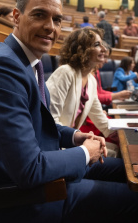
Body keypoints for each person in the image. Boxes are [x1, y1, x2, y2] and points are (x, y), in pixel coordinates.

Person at [0, 0, 138, 223]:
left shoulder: (29, 64)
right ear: (17, 17)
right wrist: (84, 153)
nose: (50, 27)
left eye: (57, 19)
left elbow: (41, 124)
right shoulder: (1, 68)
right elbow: (29, 169)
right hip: (27, 198)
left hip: (48, 174)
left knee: (133, 172)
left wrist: (75, 137)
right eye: (39, 15)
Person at [46, 27, 118, 156]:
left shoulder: (91, 80)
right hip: (55, 146)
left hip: (71, 143)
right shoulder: (65, 72)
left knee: (117, 150)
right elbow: (49, 120)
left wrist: (125, 134)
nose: (104, 49)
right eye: (97, 45)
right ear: (82, 49)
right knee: (115, 158)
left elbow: (100, 119)